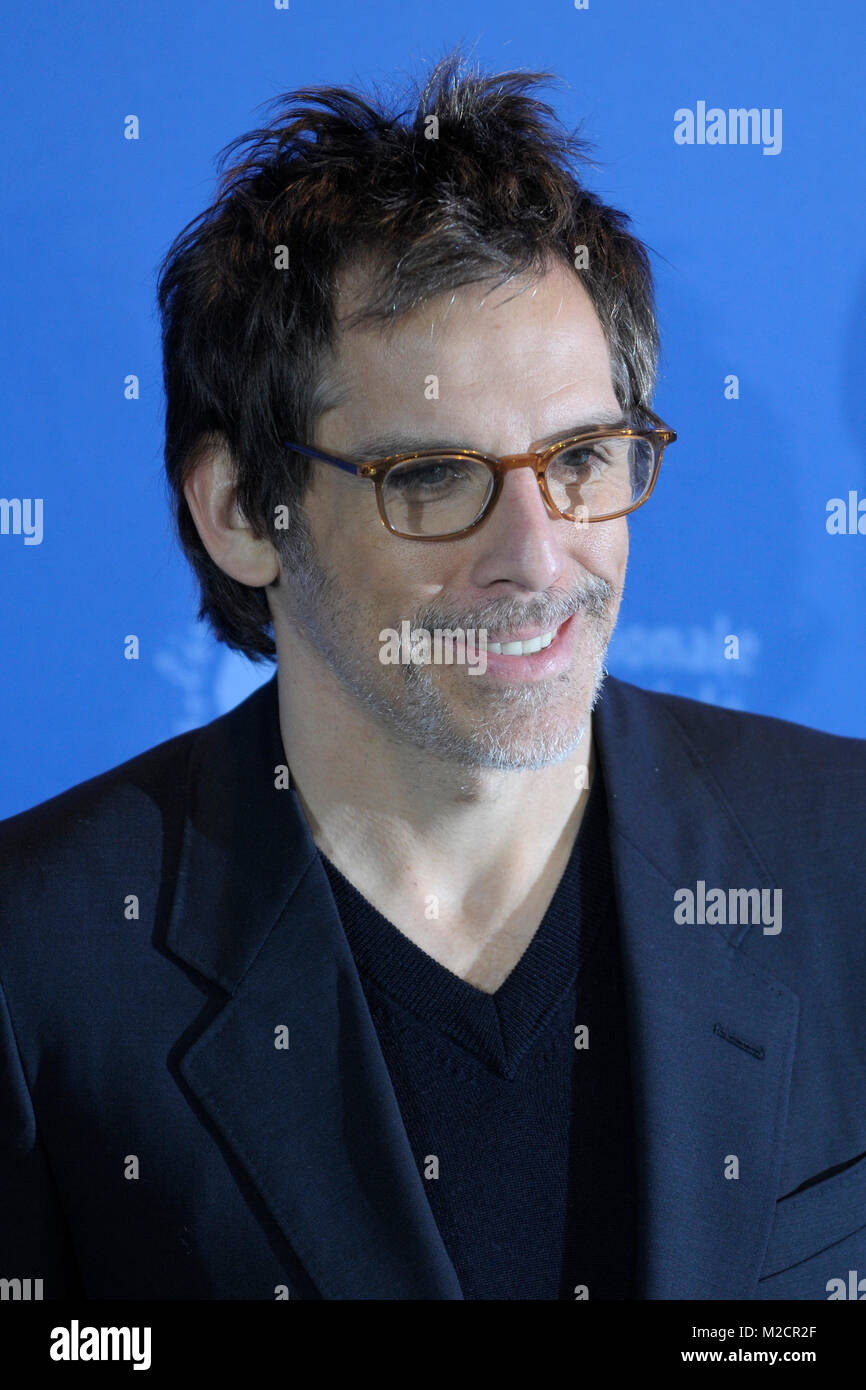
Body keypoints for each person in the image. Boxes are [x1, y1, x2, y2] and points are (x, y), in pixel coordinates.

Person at [1, 50, 864, 1303]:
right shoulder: (41, 967)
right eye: (432, 478)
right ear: (244, 511)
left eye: (579, 456)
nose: (535, 553)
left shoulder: (842, 857)